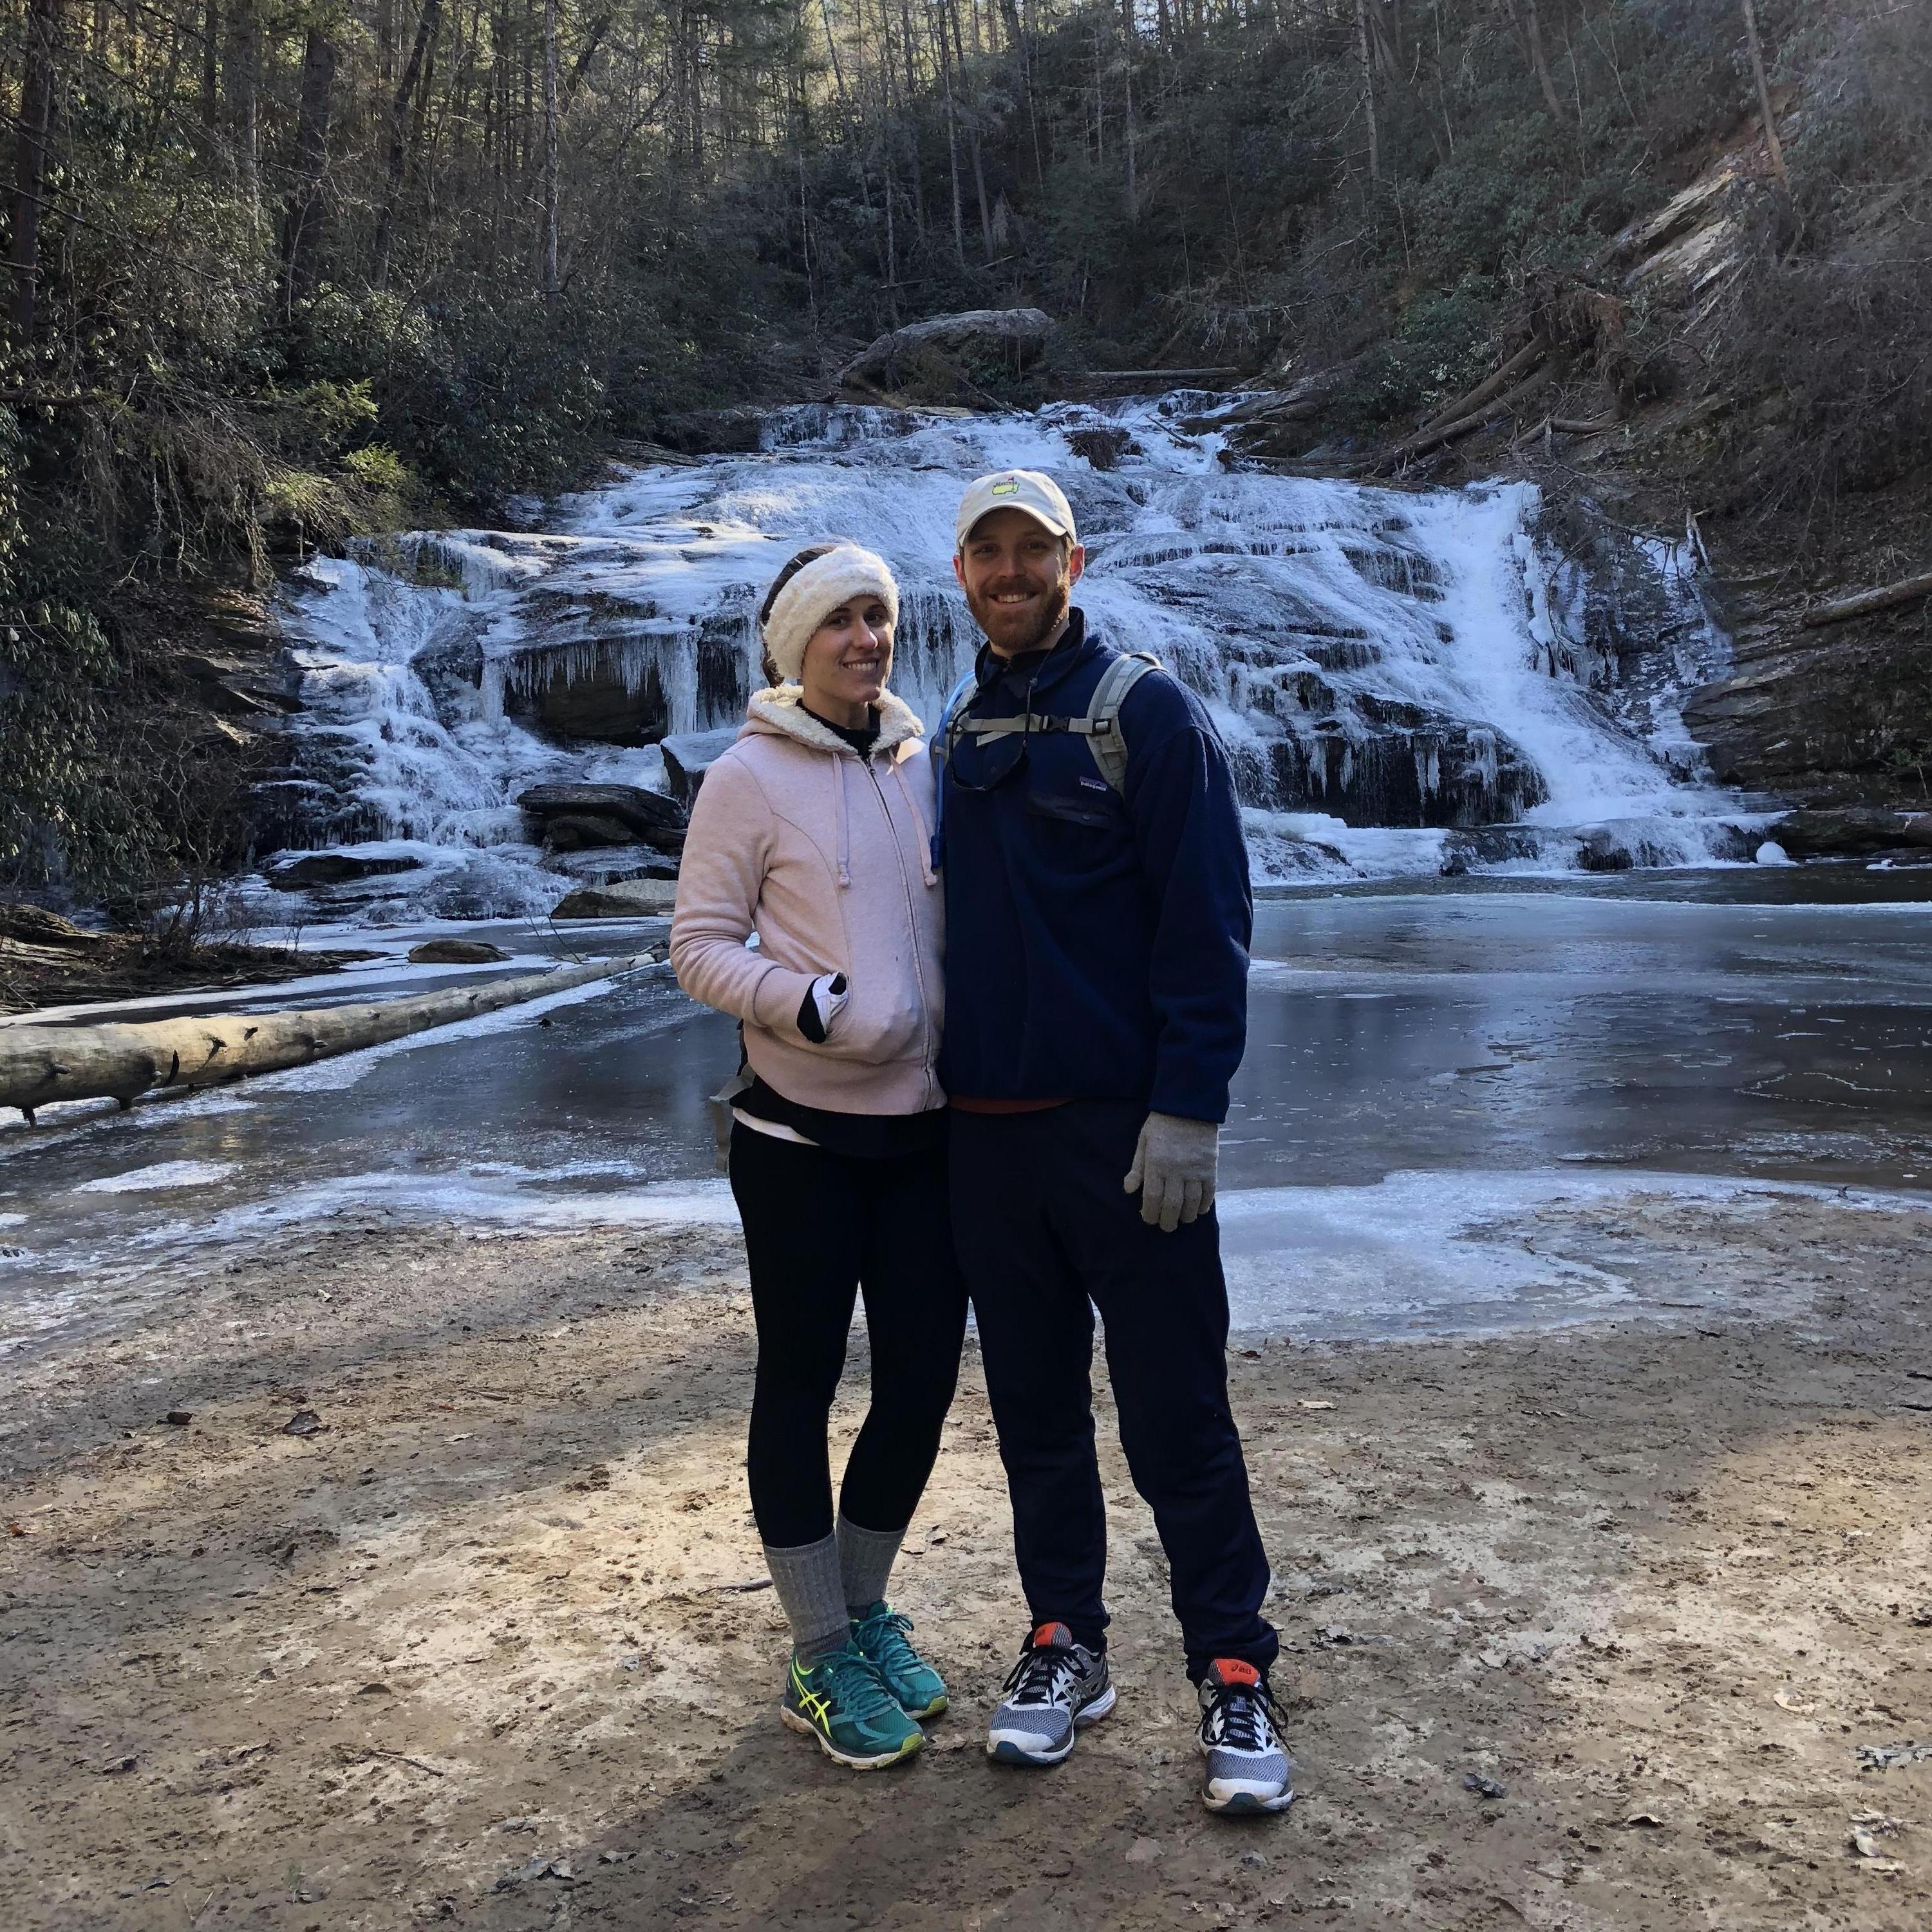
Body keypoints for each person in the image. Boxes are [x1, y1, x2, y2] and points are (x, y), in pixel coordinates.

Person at [936, 471, 1292, 1814]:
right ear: (961, 573)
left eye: (1033, 549)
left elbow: (1208, 923)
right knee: (1035, 1417)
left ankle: (1233, 1668)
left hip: (1128, 1142)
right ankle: (1061, 1643)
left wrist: (1190, 1109)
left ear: (1072, 561)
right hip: (984, 1143)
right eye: (989, 551)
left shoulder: (1144, 711)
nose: (1012, 570)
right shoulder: (957, 728)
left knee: (1176, 1419)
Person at [671, 540, 965, 1772]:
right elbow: (695, 946)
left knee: (919, 1385)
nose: (866, 639)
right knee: (798, 1383)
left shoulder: (921, 761)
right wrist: (810, 1004)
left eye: (879, 617)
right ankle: (814, 1647)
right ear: (795, 645)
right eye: (840, 620)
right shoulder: (744, 777)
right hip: (797, 1137)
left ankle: (861, 1610)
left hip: (928, 1134)